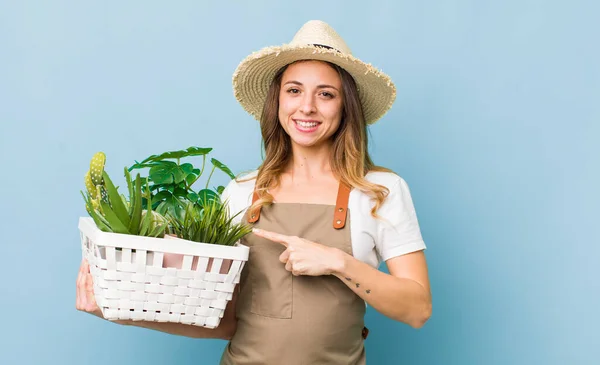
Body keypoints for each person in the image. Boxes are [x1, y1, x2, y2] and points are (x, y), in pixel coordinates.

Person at [76, 20, 431, 365]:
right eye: (294, 90)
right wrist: (117, 310)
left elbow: (417, 310)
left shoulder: (380, 191)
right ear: (277, 102)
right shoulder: (243, 192)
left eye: (326, 94)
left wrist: (337, 262)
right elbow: (224, 321)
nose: (307, 107)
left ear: (345, 106)